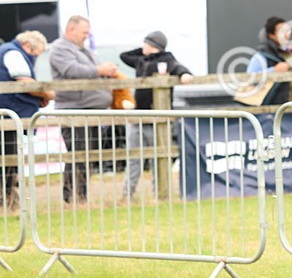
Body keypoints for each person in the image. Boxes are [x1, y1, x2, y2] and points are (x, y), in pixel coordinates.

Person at [49, 15, 121, 205]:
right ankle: (72, 198)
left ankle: (80, 197)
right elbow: (71, 71)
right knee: (78, 154)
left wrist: (107, 72)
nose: (86, 36)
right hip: (75, 110)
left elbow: (89, 70)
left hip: (92, 110)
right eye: (84, 32)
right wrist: (100, 70)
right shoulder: (59, 49)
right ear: (71, 30)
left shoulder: (84, 50)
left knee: (88, 156)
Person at [118, 31, 194, 200]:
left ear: (152, 45)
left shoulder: (166, 60)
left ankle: (160, 195)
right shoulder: (140, 60)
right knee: (133, 159)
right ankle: (126, 196)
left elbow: (178, 67)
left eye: (145, 43)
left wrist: (184, 75)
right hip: (138, 117)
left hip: (156, 120)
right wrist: (144, 50)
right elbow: (124, 56)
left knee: (157, 160)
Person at [0, 31, 54, 210]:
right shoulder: (14, 53)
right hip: (8, 116)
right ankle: (8, 201)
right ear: (29, 46)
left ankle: (8, 201)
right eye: (36, 54)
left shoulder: (9, 51)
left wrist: (37, 98)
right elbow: (25, 82)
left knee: (9, 159)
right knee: (9, 159)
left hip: (9, 114)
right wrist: (47, 93)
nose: (35, 58)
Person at [247, 17, 292, 105]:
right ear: (271, 35)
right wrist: (274, 70)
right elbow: (250, 79)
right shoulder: (261, 57)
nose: (286, 34)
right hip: (275, 109)